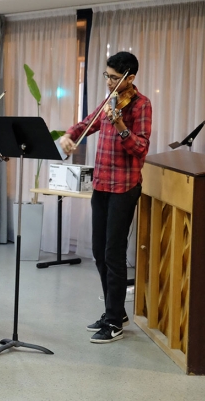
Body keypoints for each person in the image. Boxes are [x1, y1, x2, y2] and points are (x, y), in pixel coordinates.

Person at [59, 51, 152, 344]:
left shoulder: (141, 104)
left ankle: (113, 322)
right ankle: (116, 312)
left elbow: (141, 148)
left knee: (113, 253)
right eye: (107, 76)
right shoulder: (109, 99)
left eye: (114, 77)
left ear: (130, 78)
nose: (109, 82)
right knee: (99, 252)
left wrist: (121, 126)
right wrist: (69, 135)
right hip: (101, 185)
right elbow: (88, 123)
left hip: (124, 187)